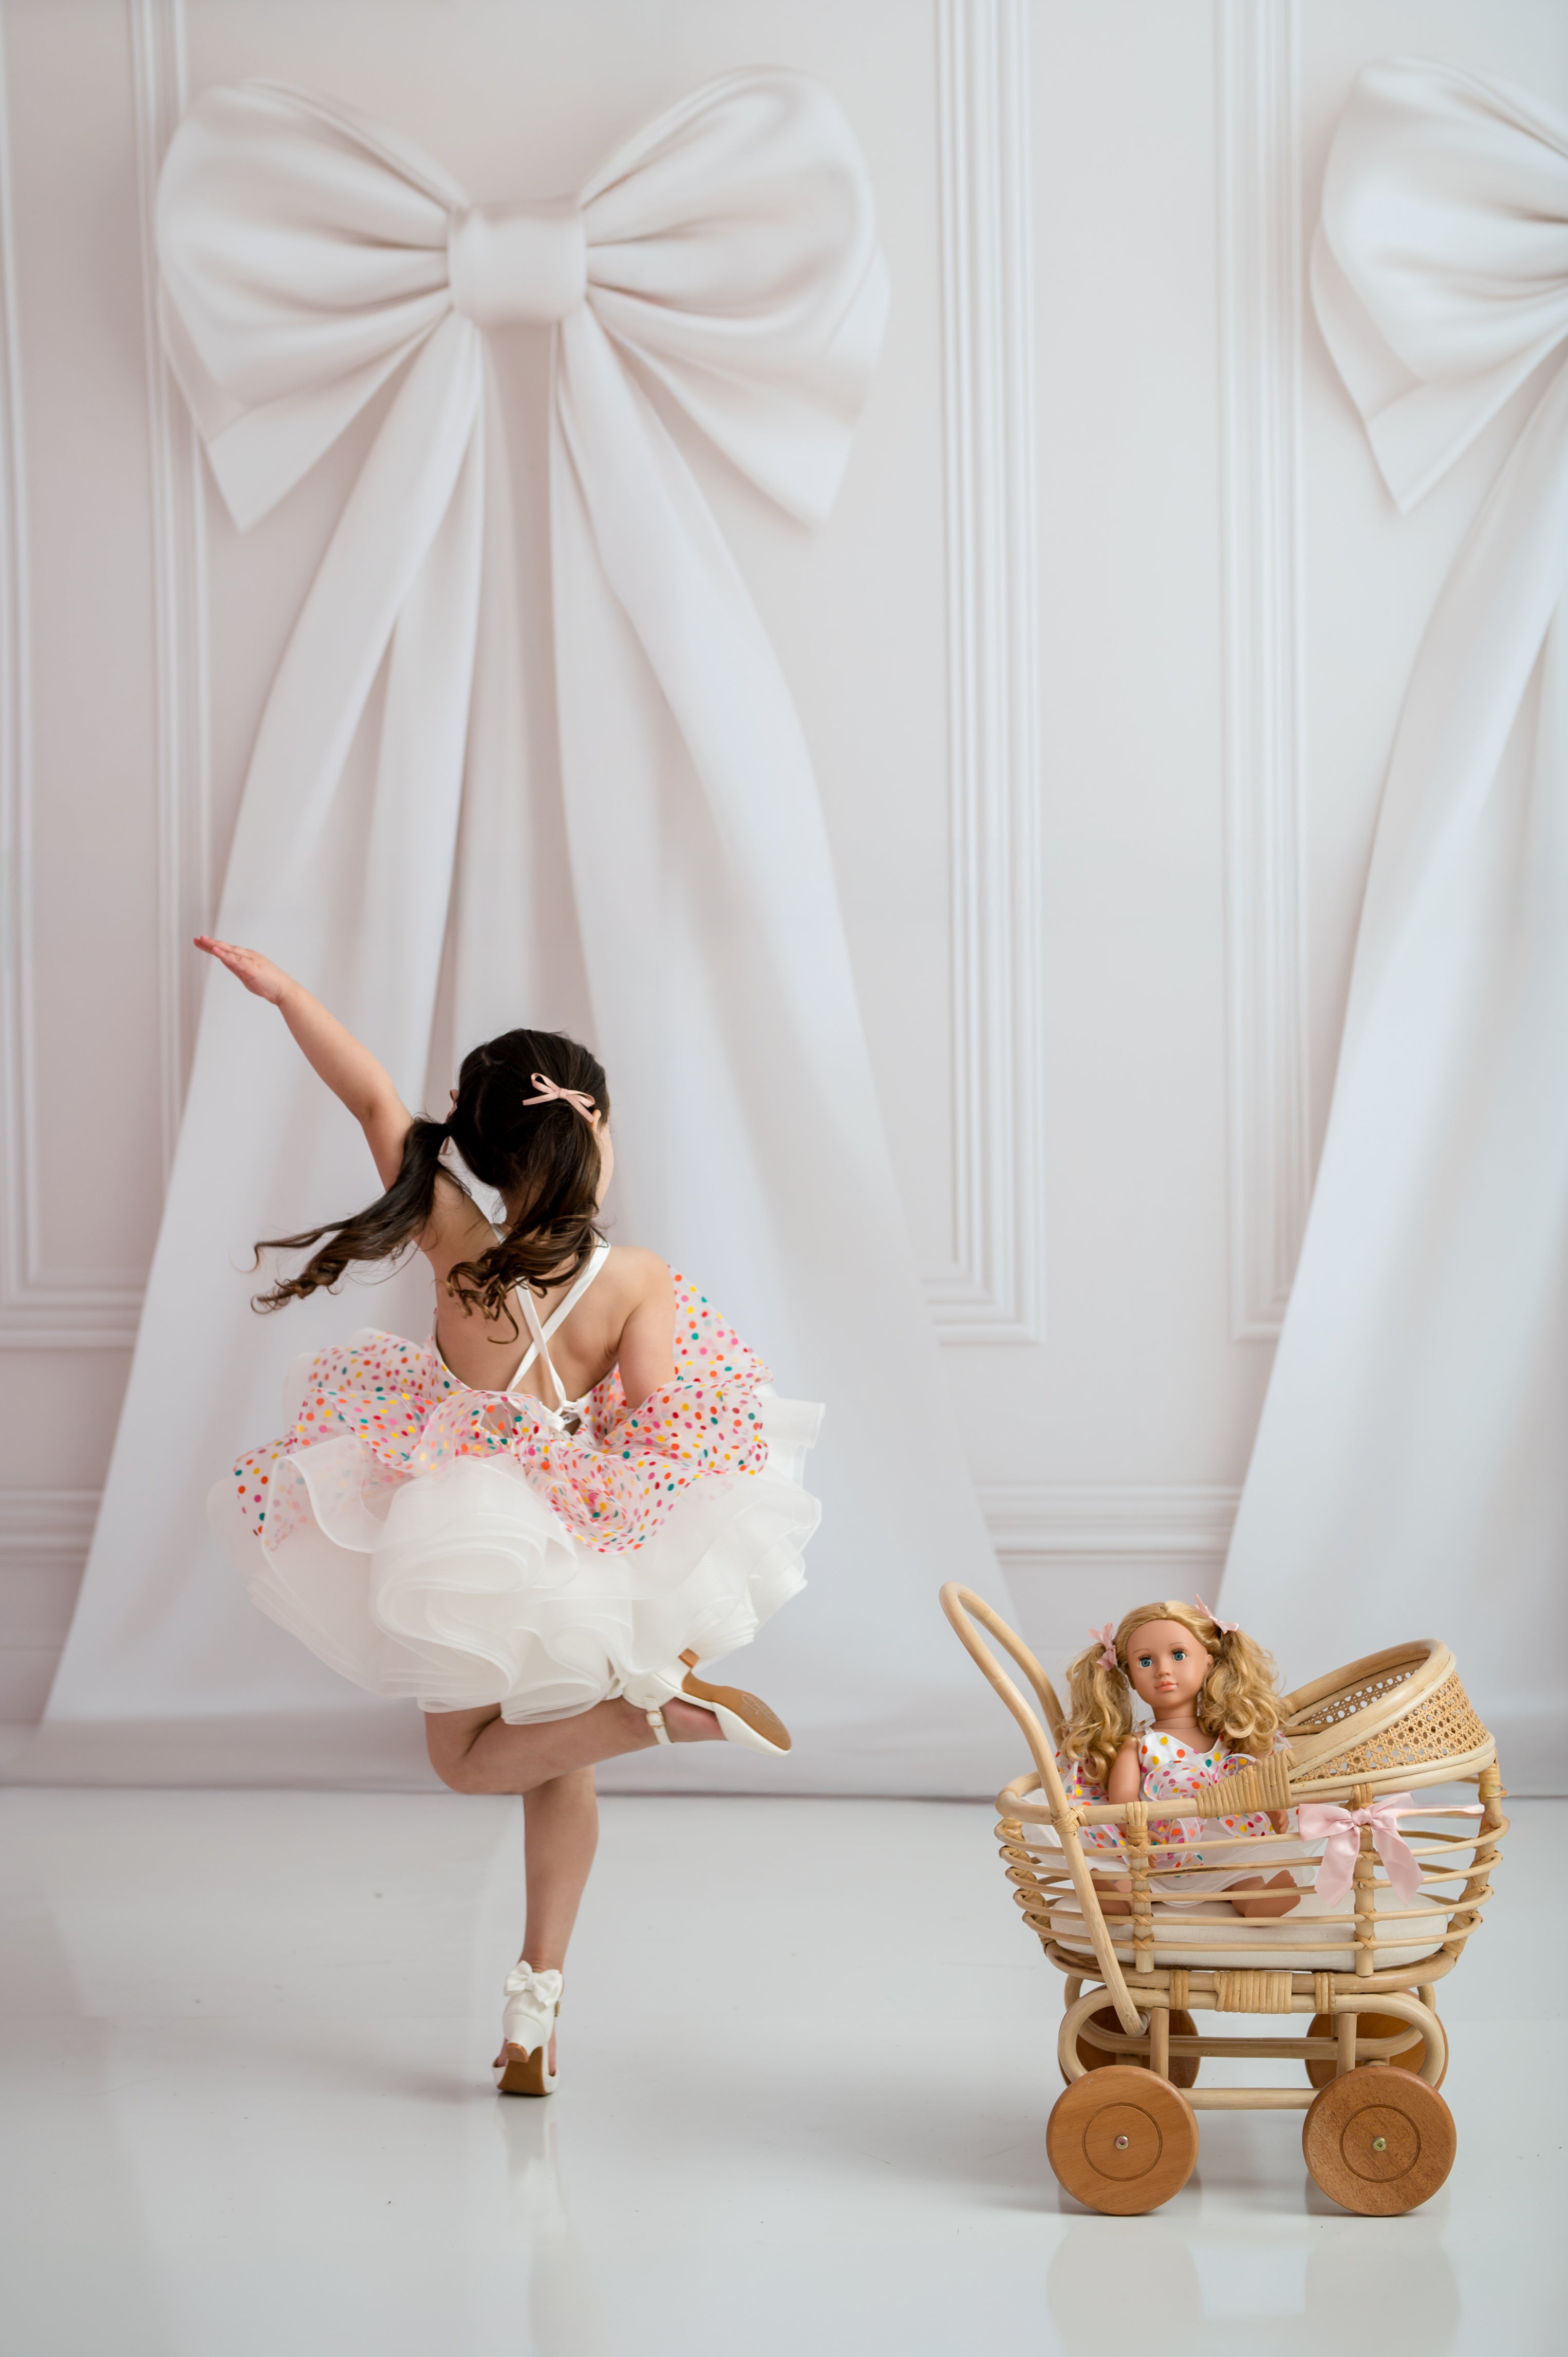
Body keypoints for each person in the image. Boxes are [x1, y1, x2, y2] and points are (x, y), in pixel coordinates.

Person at [197, 937, 820, 2094]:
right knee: (549, 1760)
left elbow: (371, 1097)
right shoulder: (635, 1277)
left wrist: (286, 994)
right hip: (576, 1527)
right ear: (595, 1134)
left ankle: (653, 1719)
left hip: (464, 1530)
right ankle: (533, 2010)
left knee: (473, 1761)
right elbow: (656, 1422)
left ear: (478, 1148)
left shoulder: (453, 1240)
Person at [1057, 1597, 1300, 1918]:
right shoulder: (1140, 1744)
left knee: (1242, 1875)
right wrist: (1133, 1829)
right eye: (1146, 1661)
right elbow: (1122, 1799)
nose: (1164, 1670)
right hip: (1161, 1848)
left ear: (1209, 1662)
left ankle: (1255, 1900)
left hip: (1221, 1845)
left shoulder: (1228, 1736)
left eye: (1179, 1655)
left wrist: (1271, 1807)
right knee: (1132, 1880)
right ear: (1129, 1676)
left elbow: (1249, 1779)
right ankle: (1118, 1897)